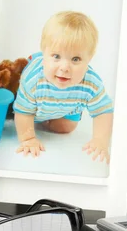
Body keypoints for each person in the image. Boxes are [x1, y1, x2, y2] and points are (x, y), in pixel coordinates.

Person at [13, 11, 114, 164]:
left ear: (89, 58)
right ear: (44, 52)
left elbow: (103, 112)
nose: (65, 67)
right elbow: (23, 112)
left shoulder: (91, 83)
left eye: (76, 59)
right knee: (17, 107)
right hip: (33, 104)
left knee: (66, 128)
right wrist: (28, 138)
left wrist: (100, 140)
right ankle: (39, 115)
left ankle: (49, 118)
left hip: (67, 106)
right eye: (56, 56)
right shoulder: (33, 80)